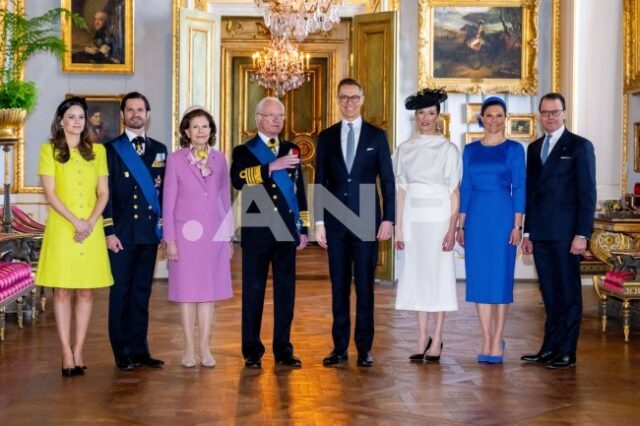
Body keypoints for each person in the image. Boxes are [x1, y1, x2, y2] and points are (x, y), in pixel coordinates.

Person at [315, 78, 395, 367]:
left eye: (354, 97)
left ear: (362, 100)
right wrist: (319, 221)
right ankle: (339, 348)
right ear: (338, 100)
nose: (348, 102)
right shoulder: (326, 137)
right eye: (343, 97)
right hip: (335, 221)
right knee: (339, 287)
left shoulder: (377, 136)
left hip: (367, 219)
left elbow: (387, 181)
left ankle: (364, 348)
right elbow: (319, 181)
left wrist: (389, 218)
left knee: (364, 287)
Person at [35, 97, 113, 376]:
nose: (77, 121)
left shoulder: (98, 151)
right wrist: (75, 222)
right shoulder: (49, 150)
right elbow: (50, 193)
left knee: (86, 291)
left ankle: (79, 350)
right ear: (61, 121)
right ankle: (66, 353)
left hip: (90, 229)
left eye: (81, 117)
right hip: (63, 228)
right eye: (71, 116)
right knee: (62, 291)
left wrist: (89, 222)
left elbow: (103, 193)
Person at [230, 96, 309, 369]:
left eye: (280, 116)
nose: (277, 120)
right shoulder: (244, 150)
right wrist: (270, 168)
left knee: (286, 293)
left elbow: (299, 190)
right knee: (253, 292)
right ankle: (252, 351)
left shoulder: (291, 149)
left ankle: (283, 349)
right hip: (257, 231)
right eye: (271, 115)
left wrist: (304, 227)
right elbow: (237, 180)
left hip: (286, 230)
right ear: (258, 119)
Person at [521, 92, 596, 369]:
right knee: (550, 294)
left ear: (564, 113)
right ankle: (549, 348)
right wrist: (528, 233)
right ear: (539, 115)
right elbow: (531, 193)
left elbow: (587, 193)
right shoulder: (534, 148)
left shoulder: (579, 146)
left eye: (554, 112)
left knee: (568, 294)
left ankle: (567, 351)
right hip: (540, 234)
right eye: (545, 112)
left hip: (567, 235)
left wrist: (582, 234)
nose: (550, 117)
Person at [456, 96, 525, 364]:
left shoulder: (514, 149)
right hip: (476, 219)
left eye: (499, 115)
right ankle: (485, 337)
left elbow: (519, 187)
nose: (494, 120)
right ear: (481, 118)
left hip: (502, 217)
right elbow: (466, 188)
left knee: (500, 278)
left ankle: (498, 339)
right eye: (489, 115)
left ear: (505, 119)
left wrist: (517, 225)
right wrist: (461, 224)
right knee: (480, 279)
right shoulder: (470, 150)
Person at [393, 88, 460, 363]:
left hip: (439, 220)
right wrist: (398, 227)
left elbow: (454, 192)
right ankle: (422, 337)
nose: (425, 118)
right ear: (415, 116)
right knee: (417, 277)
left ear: (438, 116)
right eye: (421, 113)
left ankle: (438, 337)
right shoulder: (404, 149)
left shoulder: (448, 149)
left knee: (438, 277)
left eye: (430, 113)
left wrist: (452, 228)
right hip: (413, 219)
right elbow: (401, 190)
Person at [163, 107, 233, 368]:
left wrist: (227, 237)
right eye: (195, 127)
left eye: (205, 126)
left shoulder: (219, 159)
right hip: (185, 236)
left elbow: (224, 199)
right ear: (186, 131)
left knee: (207, 293)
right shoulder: (175, 160)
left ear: (211, 130)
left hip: (213, 236)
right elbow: (168, 202)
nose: (200, 131)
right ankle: (189, 348)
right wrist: (170, 239)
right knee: (187, 293)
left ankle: (205, 347)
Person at [103, 92, 168, 371]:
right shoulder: (110, 149)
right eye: (130, 110)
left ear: (147, 114)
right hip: (122, 233)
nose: (135, 114)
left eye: (140, 109)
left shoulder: (160, 149)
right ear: (122, 115)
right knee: (120, 293)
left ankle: (140, 350)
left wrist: (165, 231)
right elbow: (104, 194)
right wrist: (109, 231)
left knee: (142, 293)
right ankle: (121, 352)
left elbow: (164, 193)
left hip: (148, 233)